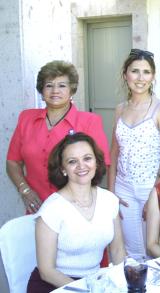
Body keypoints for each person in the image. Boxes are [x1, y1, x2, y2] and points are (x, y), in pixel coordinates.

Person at [6, 60, 110, 214]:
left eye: (62, 85)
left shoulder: (89, 121)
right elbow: (12, 162)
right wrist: (25, 190)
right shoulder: (26, 118)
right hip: (36, 207)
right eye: (49, 85)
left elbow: (102, 165)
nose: (55, 90)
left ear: (71, 90)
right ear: (41, 91)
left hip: (75, 207)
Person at [27, 133, 125, 292]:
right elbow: (47, 271)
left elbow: (118, 250)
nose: (81, 166)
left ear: (96, 162)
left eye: (87, 158)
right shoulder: (52, 209)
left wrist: (123, 283)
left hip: (93, 282)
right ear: (63, 169)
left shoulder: (110, 200)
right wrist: (86, 290)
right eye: (72, 161)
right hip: (54, 285)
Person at [108, 49, 160, 256]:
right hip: (123, 188)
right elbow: (114, 153)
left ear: (153, 76)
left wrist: (154, 196)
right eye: (135, 71)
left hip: (150, 187)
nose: (140, 78)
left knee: (151, 249)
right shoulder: (120, 109)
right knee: (131, 250)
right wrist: (111, 195)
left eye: (146, 72)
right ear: (125, 74)